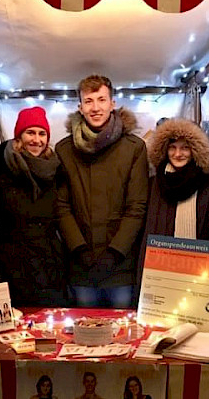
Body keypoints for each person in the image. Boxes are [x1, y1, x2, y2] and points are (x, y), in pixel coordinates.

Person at [55, 74, 148, 308]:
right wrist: (79, 249)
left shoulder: (134, 148)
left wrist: (115, 253)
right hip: (81, 266)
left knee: (123, 337)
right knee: (84, 337)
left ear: (112, 103)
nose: (95, 107)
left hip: (120, 266)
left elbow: (136, 207)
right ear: (80, 107)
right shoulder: (64, 150)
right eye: (89, 101)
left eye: (101, 99)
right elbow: (62, 205)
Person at [0, 106, 67, 307]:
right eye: (30, 132)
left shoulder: (55, 168)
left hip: (50, 269)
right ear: (18, 136)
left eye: (42, 134)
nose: (36, 140)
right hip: (12, 270)